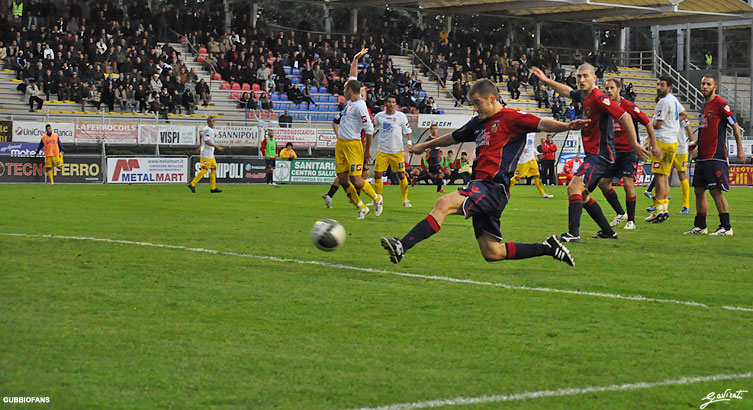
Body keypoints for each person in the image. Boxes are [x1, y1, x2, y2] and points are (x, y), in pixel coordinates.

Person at [380, 79, 585, 266]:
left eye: (477, 103)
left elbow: (541, 124)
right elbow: (454, 137)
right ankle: (548, 247)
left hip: (493, 187)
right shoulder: (479, 122)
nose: (475, 108)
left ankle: (402, 246)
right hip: (484, 188)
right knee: (492, 252)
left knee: (443, 203)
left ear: (492, 98)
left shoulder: (512, 118)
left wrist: (566, 125)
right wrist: (425, 145)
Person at [532, 64, 649, 242]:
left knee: (573, 188)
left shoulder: (600, 98)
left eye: (585, 76)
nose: (581, 80)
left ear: (594, 78)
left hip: (601, 155)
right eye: (579, 76)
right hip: (593, 155)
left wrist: (634, 143)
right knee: (583, 196)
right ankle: (608, 232)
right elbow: (567, 92)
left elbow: (625, 116)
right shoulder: (583, 95)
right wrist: (547, 80)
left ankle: (573, 234)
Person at [684, 75, 747, 236]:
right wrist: (695, 144)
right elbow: (705, 130)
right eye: (703, 83)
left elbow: (735, 126)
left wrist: (740, 149)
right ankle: (701, 226)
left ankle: (726, 227)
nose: (704, 86)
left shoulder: (720, 104)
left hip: (715, 156)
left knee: (715, 191)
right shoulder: (704, 106)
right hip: (702, 156)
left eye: (708, 84)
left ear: (715, 87)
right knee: (698, 190)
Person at [596, 78, 659, 230]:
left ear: (619, 89)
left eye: (612, 88)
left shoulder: (629, 106)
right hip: (612, 152)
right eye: (607, 88)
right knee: (603, 183)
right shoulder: (606, 107)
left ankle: (631, 220)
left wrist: (654, 144)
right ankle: (620, 213)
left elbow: (648, 123)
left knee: (627, 182)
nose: (609, 91)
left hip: (629, 151)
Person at [329, 48, 382, 219]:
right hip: (341, 144)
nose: (344, 90)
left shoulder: (360, 106)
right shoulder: (351, 100)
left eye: (346, 89)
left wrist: (367, 151)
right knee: (343, 179)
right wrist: (355, 59)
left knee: (357, 180)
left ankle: (376, 198)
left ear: (350, 91)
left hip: (353, 145)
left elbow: (369, 130)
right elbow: (353, 76)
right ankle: (361, 207)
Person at [646, 76, 687, 223]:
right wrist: (674, 124)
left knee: (659, 177)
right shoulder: (674, 100)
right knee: (664, 177)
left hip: (662, 141)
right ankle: (664, 210)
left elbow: (657, 124)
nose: (659, 87)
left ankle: (658, 210)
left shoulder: (663, 101)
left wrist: (648, 125)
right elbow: (684, 114)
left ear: (669, 87)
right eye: (658, 85)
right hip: (673, 141)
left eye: (662, 85)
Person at [373, 95, 413, 207]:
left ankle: (405, 199)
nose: (391, 104)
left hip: (397, 151)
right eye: (389, 102)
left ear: (396, 104)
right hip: (383, 150)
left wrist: (409, 142)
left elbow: (407, 130)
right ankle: (378, 199)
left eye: (393, 102)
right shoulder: (379, 116)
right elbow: (373, 129)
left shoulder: (401, 116)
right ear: (385, 104)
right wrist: (373, 124)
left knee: (401, 175)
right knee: (377, 174)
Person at [510, 132, 553, 198]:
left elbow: (531, 146)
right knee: (517, 177)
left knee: (537, 176)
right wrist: (519, 148)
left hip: (532, 159)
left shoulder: (532, 133)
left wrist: (537, 153)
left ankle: (542, 193)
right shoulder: (521, 131)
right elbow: (513, 141)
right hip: (523, 160)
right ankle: (503, 191)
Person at [188, 116, 223, 193]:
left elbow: (201, 136)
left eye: (213, 121)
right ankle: (192, 184)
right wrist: (217, 146)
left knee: (214, 168)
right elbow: (207, 141)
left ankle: (213, 188)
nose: (212, 123)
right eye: (211, 121)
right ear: (208, 122)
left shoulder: (209, 129)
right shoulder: (207, 129)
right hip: (206, 154)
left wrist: (200, 145)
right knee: (205, 170)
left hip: (210, 154)